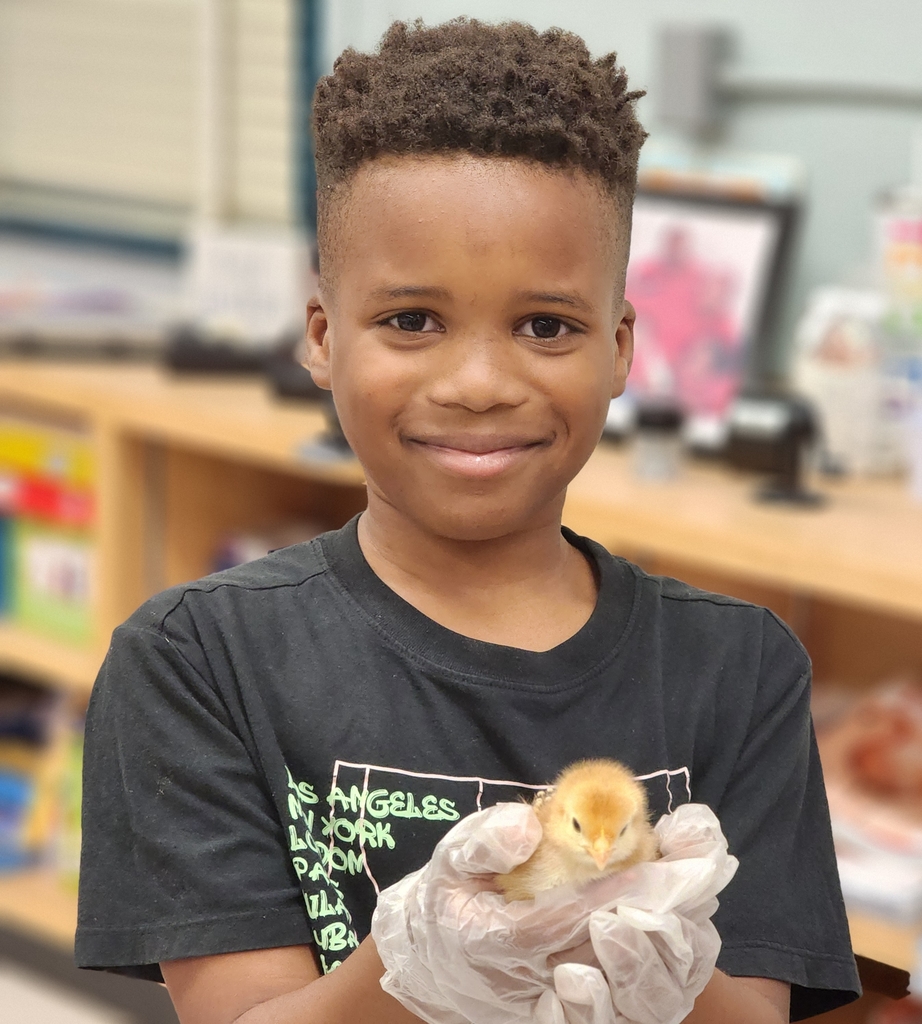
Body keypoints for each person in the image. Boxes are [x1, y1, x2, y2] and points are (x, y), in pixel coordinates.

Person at [75, 18, 861, 1024]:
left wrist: (660, 963)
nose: (480, 383)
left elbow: (752, 1012)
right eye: (411, 320)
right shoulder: (197, 660)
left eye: (546, 326)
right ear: (321, 337)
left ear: (620, 349)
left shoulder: (739, 666)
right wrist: (418, 969)